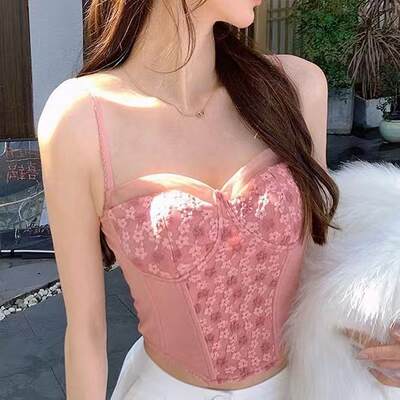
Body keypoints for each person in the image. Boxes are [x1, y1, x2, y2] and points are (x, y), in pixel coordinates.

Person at [37, 0, 399, 399]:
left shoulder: (296, 87)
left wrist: (387, 326)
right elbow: (86, 330)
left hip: (303, 386)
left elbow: (323, 256)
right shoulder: (80, 120)